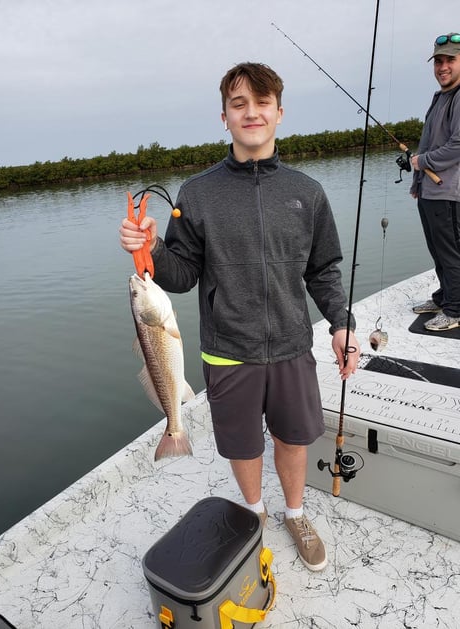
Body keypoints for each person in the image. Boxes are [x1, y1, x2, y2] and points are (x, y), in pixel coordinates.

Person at [120, 62, 360, 571]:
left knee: (294, 438)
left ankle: (294, 513)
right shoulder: (198, 192)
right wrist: (152, 248)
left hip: (293, 344)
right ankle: (254, 514)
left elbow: (324, 270)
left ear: (279, 112)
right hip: (227, 348)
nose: (251, 112)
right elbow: (182, 274)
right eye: (238, 104)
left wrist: (340, 323)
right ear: (223, 117)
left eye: (262, 102)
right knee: (243, 444)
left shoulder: (308, 192)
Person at [411, 33, 460, 331]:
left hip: (450, 192)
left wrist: (424, 162)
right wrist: (418, 180)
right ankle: (445, 296)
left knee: (451, 250)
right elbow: (431, 142)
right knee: (437, 248)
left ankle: (455, 309)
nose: (442, 67)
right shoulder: (441, 96)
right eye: (439, 61)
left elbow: (458, 144)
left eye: (450, 60)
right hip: (431, 190)